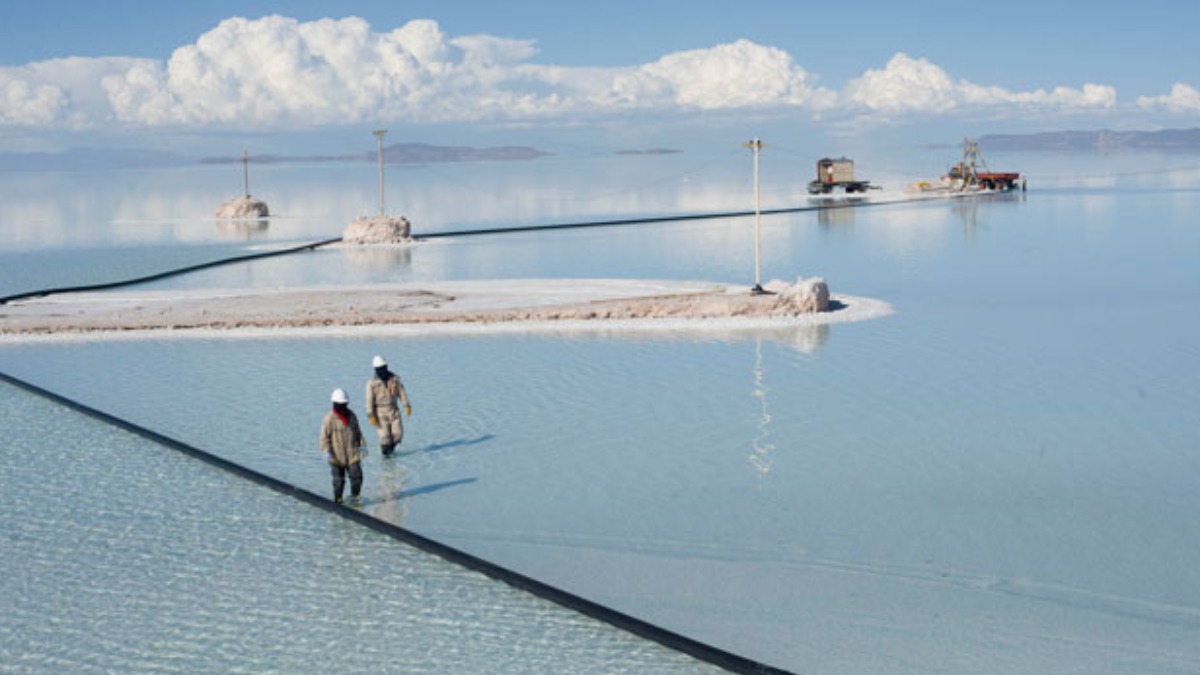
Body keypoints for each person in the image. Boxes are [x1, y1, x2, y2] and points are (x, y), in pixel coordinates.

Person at [320, 388, 366, 505]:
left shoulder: (352, 416)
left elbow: (358, 432)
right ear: (335, 404)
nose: (343, 406)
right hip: (336, 456)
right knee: (338, 481)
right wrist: (326, 452)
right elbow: (324, 438)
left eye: (344, 404)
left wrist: (363, 445)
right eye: (340, 404)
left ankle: (355, 498)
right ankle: (338, 500)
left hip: (352, 454)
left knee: (357, 477)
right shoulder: (329, 419)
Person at [365, 355, 411, 457]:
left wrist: (406, 405)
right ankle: (386, 456)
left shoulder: (395, 379)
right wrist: (370, 414)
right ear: (375, 369)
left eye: (383, 368)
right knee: (385, 438)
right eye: (379, 369)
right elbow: (369, 400)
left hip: (394, 410)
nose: (382, 371)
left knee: (398, 435)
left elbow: (401, 392)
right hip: (380, 413)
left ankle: (391, 451)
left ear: (386, 366)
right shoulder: (371, 383)